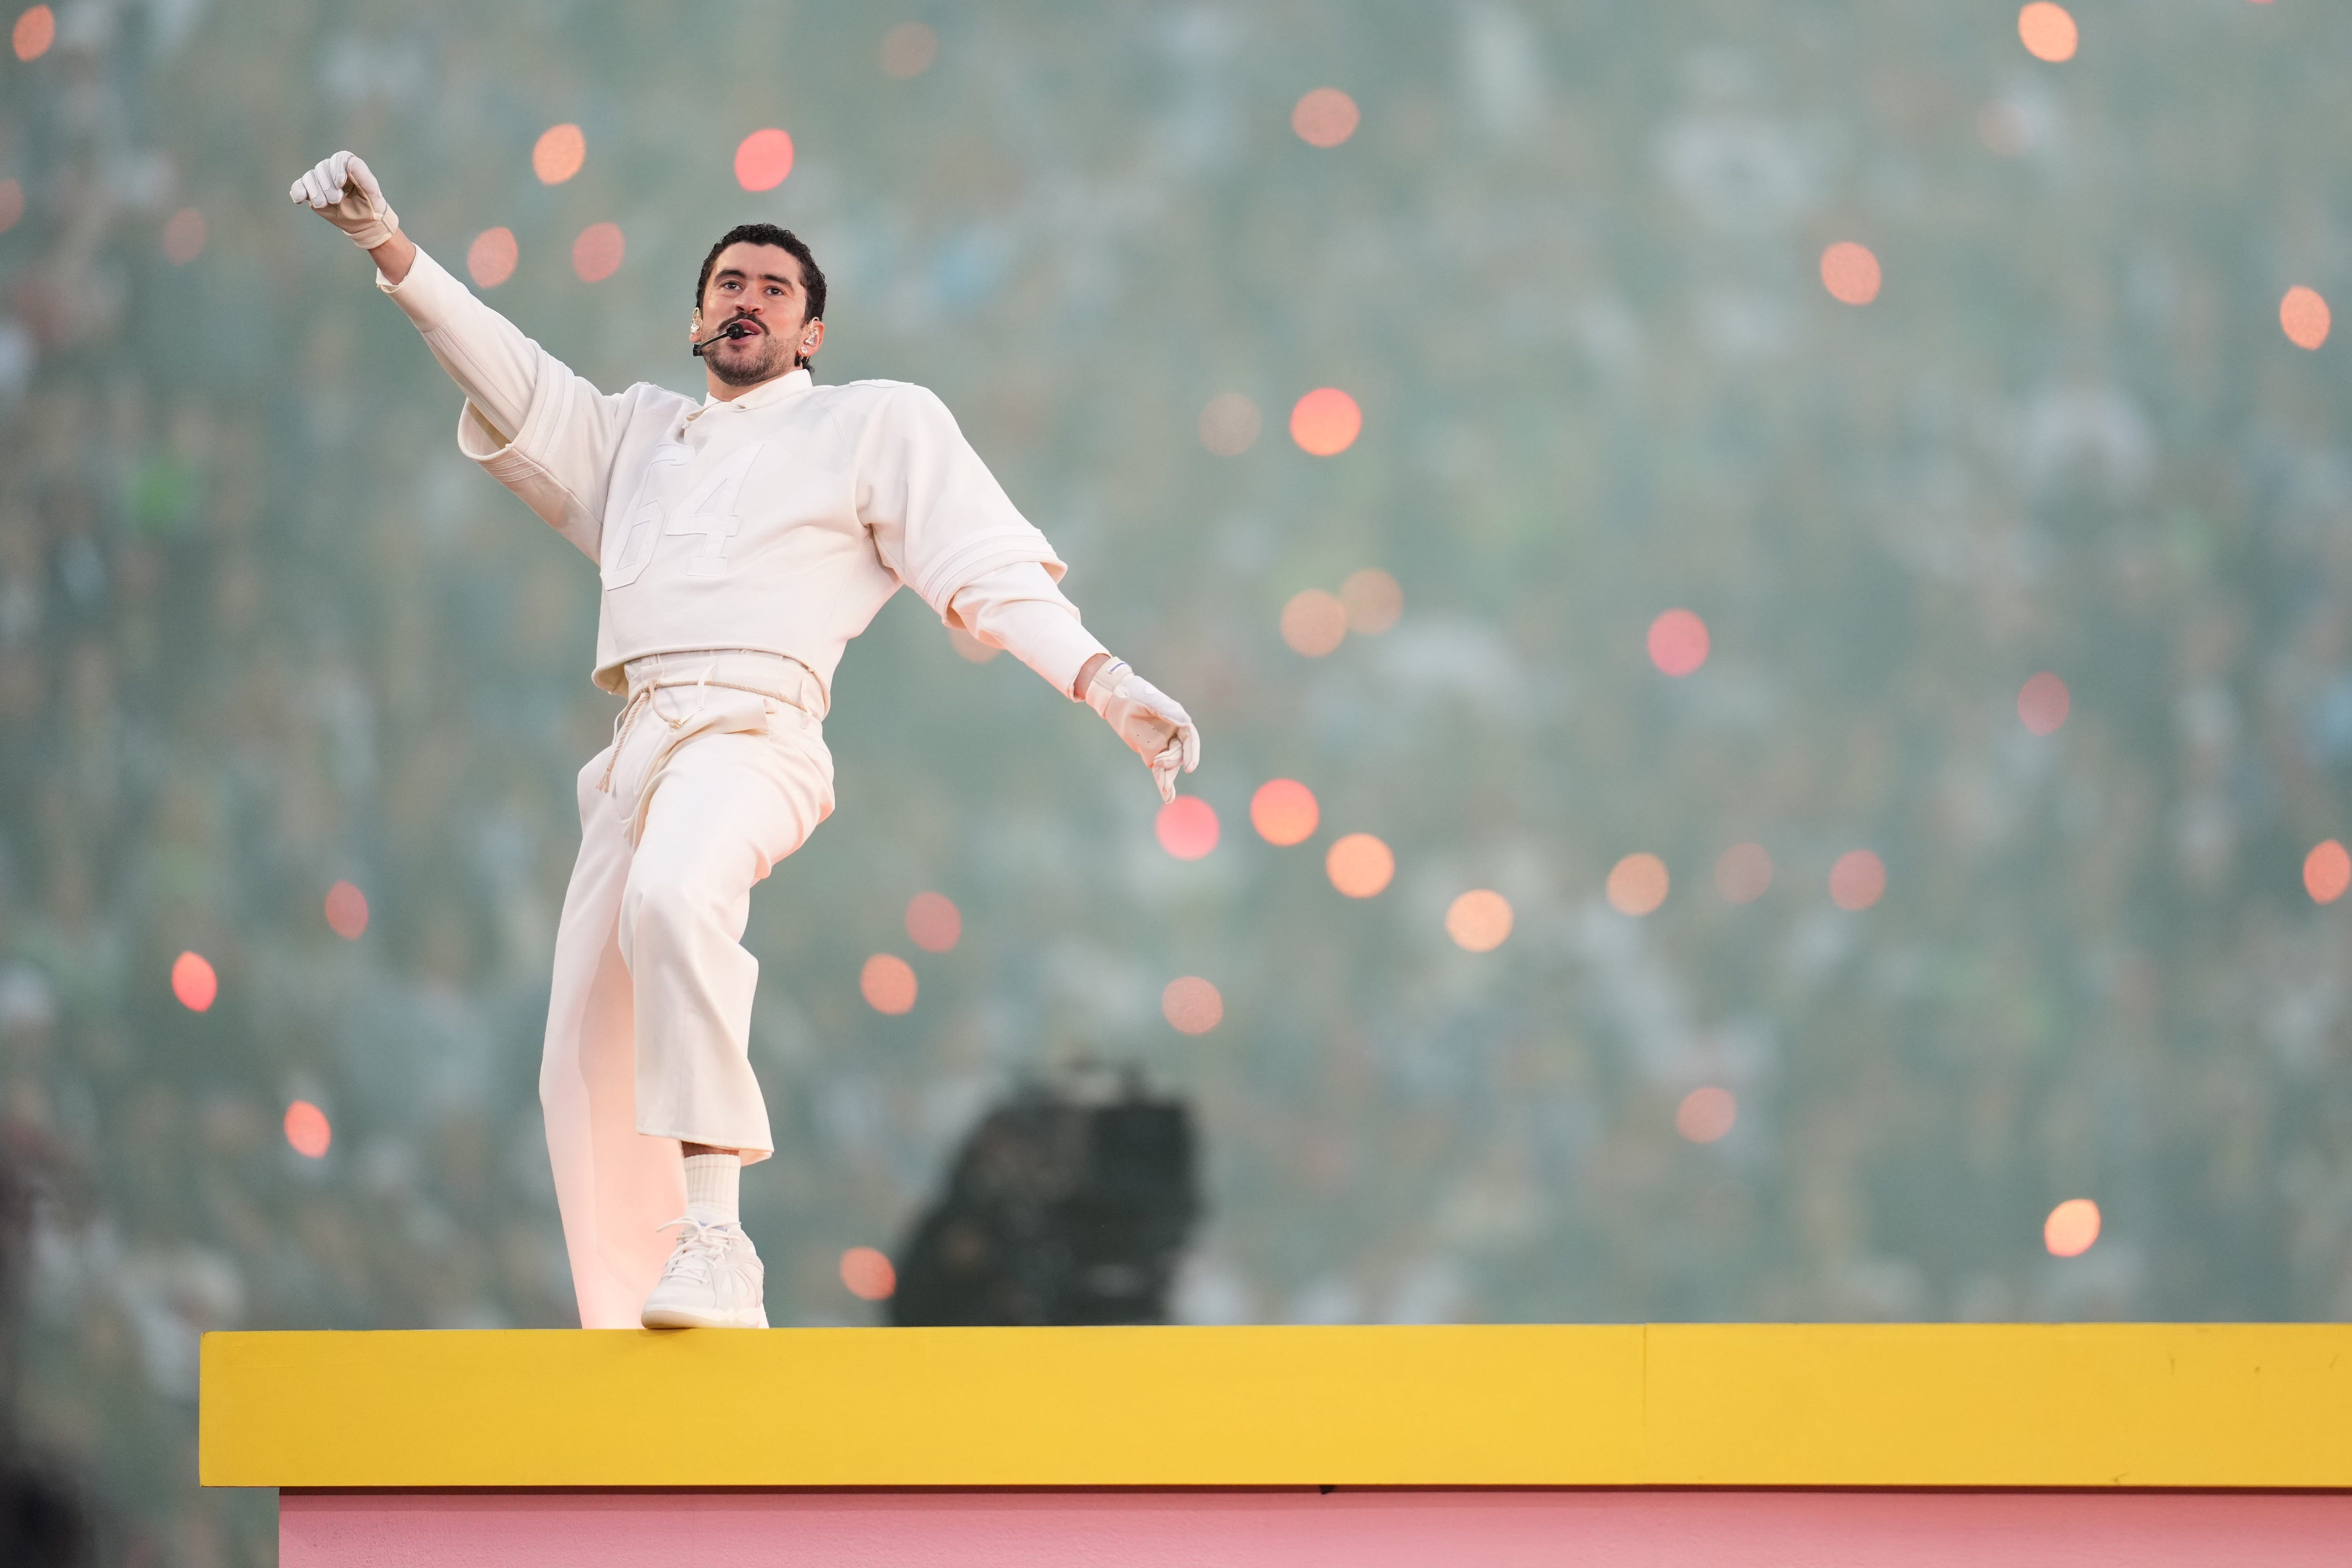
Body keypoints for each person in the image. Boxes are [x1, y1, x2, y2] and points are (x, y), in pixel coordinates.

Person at [288, 151, 1200, 1330]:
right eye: (729, 282)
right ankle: (637, 1328)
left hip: (758, 728)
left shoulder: (869, 421)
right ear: (695, 319)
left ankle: (718, 1238)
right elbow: (509, 374)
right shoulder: (635, 437)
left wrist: (1104, 679)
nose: (748, 299)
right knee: (583, 1060)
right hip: (636, 747)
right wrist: (390, 249)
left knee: (675, 901)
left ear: (811, 332)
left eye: (776, 289)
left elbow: (982, 566)